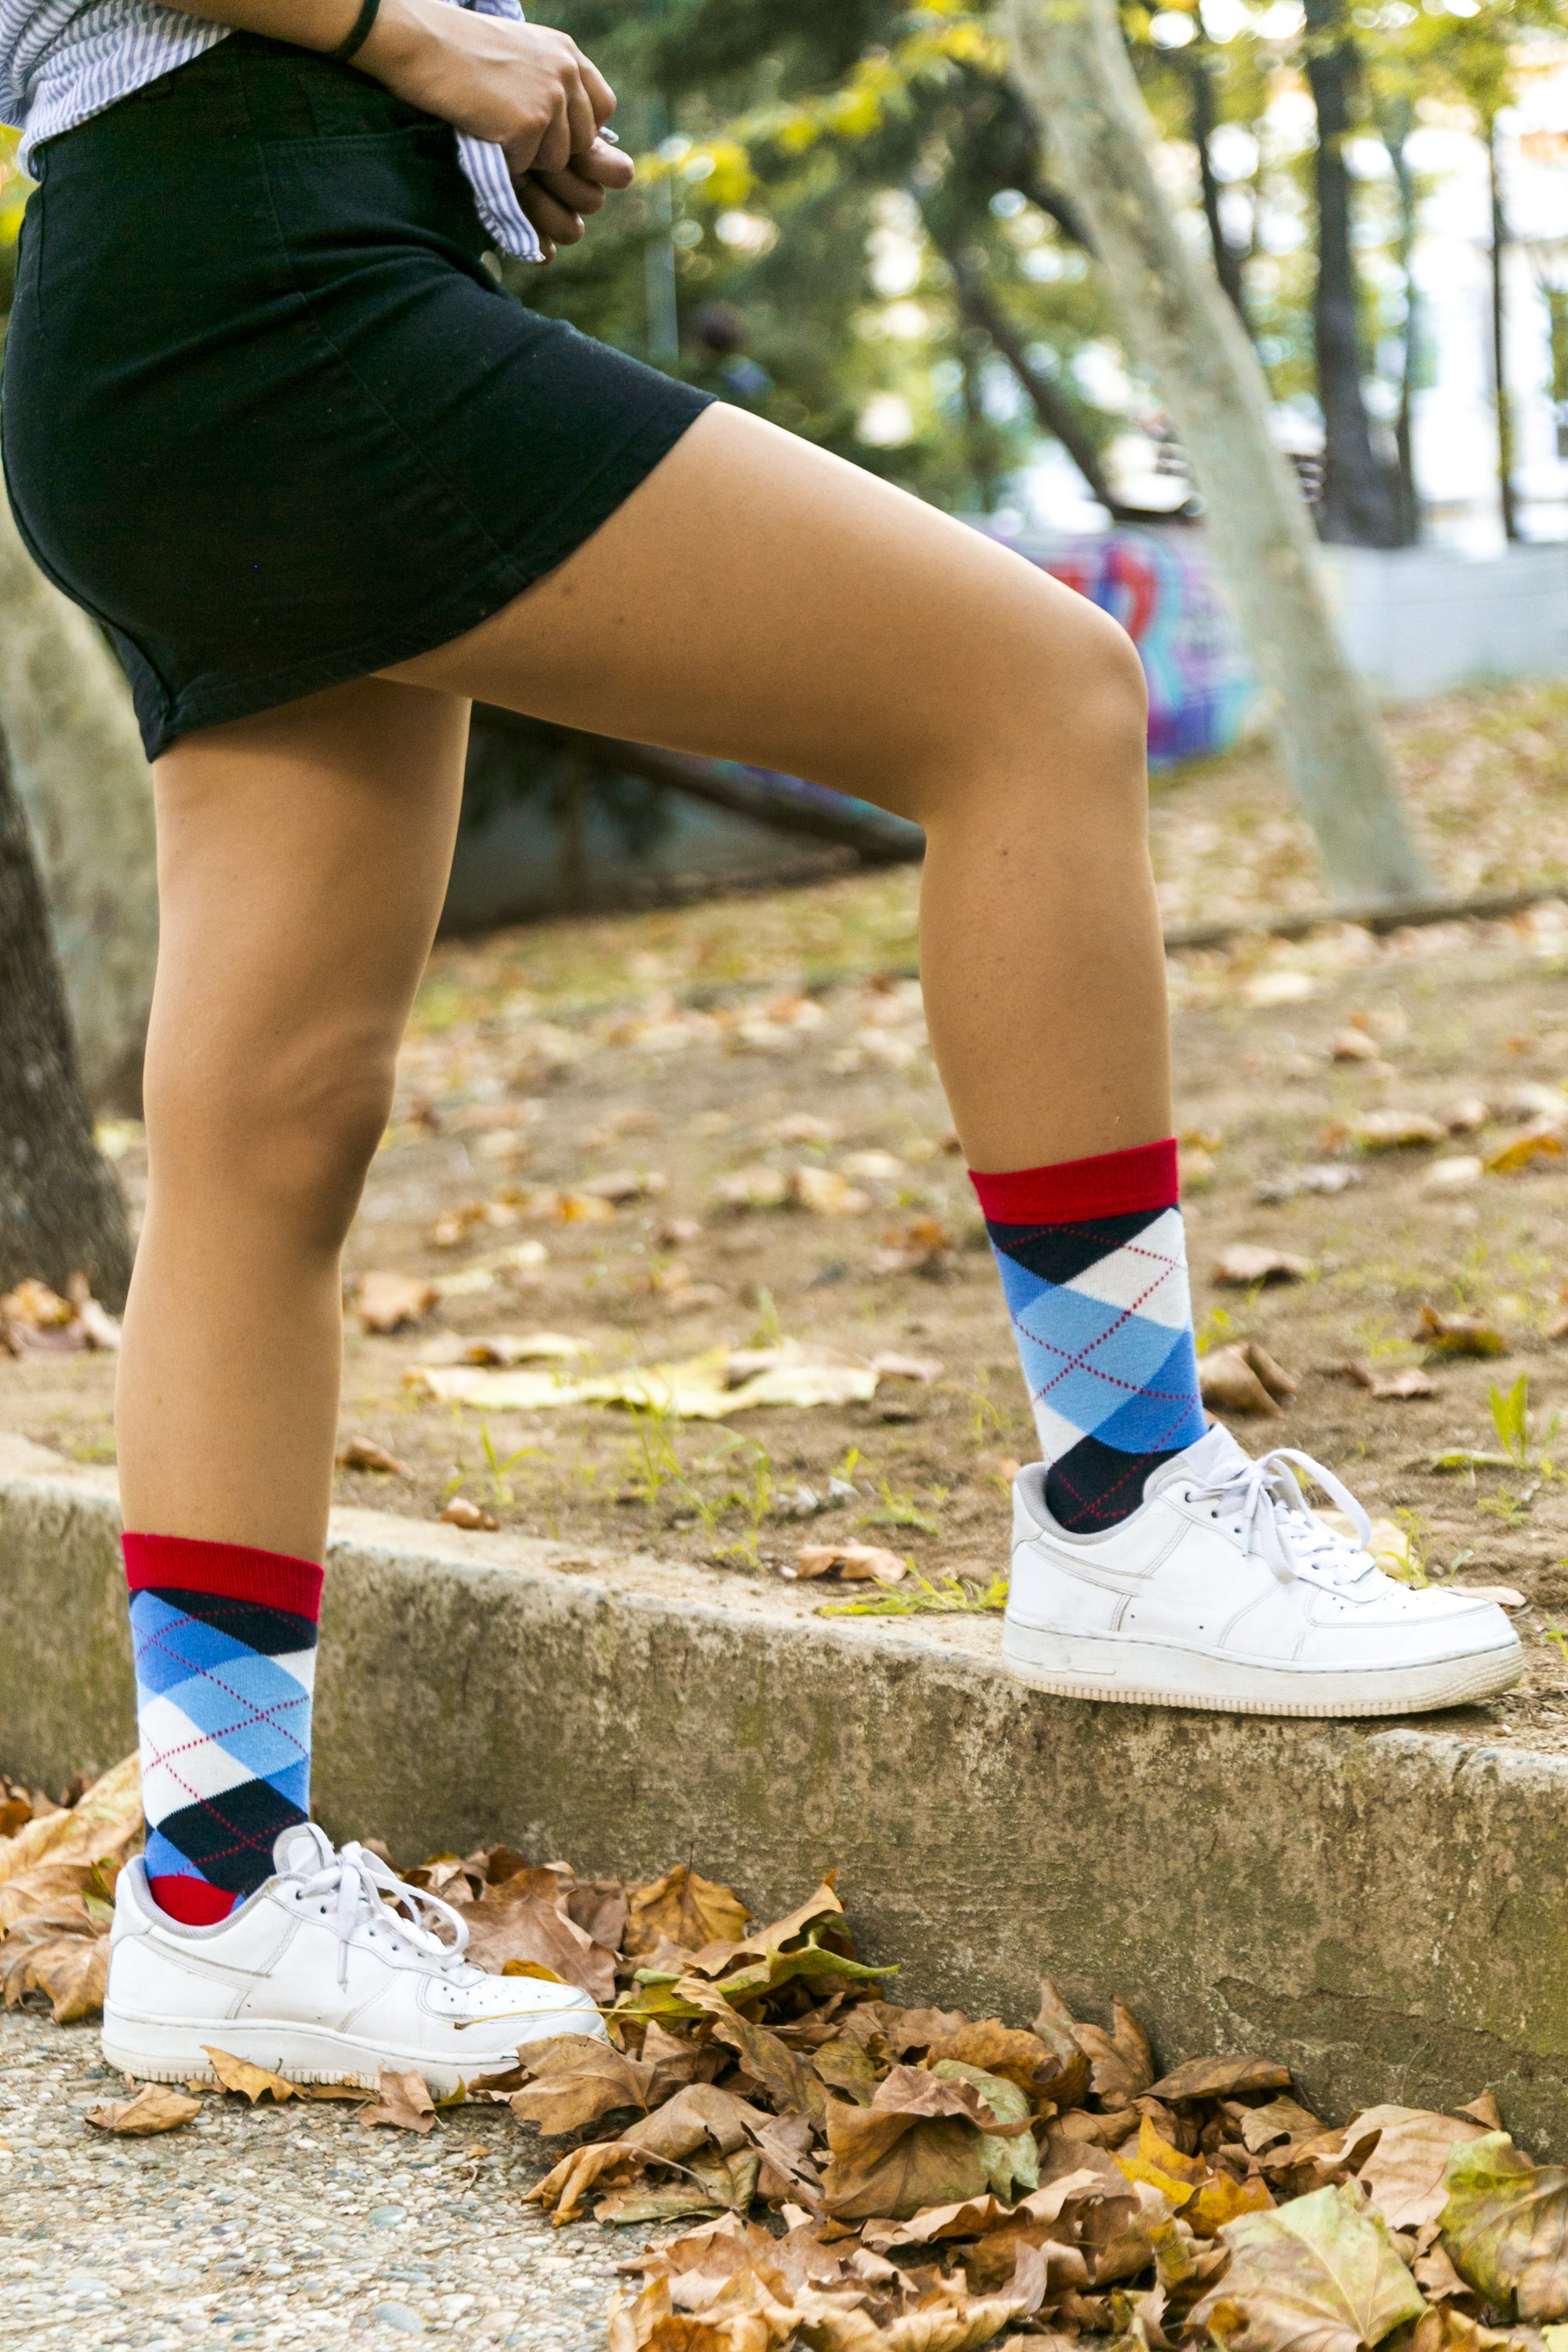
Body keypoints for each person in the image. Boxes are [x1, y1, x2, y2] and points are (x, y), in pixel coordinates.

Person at [0, 0, 1521, 2089]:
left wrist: (450, 88)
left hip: (165, 305)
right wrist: (399, 35)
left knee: (271, 1124)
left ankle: (219, 1889)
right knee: (1036, 697)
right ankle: (1129, 1492)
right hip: (263, 279)